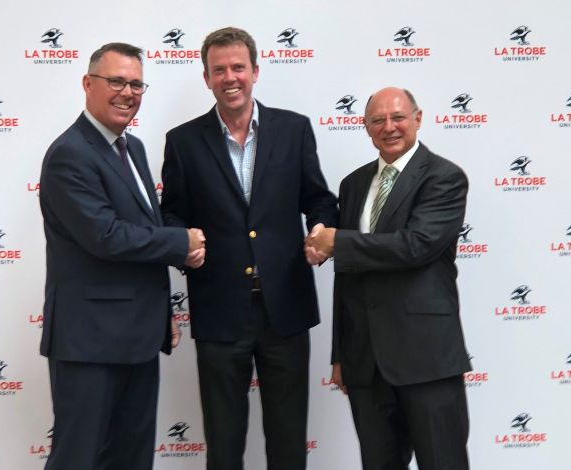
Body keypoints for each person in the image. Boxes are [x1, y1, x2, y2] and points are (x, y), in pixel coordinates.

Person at [161, 27, 337, 470]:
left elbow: (318, 197)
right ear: (206, 78)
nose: (230, 78)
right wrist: (182, 244)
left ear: (255, 71)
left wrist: (320, 230)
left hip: (286, 309)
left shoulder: (294, 129)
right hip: (219, 311)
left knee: (288, 441)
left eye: (238, 67)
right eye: (219, 70)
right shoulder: (183, 141)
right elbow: (172, 214)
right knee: (223, 444)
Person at [38, 42, 205, 470]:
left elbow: (143, 228)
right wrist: (180, 244)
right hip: (89, 343)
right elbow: (106, 236)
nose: (127, 92)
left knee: (131, 459)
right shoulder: (70, 154)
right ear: (88, 83)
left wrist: (160, 308)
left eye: (136, 84)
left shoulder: (133, 149)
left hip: (138, 336)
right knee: (78, 458)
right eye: (116, 81)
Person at [305, 87, 471, 470]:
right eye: (377, 120)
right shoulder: (353, 184)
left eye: (398, 117)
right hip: (366, 364)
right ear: (366, 127)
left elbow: (415, 246)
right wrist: (340, 354)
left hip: (426, 360)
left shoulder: (444, 177)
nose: (389, 127)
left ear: (418, 118)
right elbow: (347, 275)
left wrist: (337, 242)